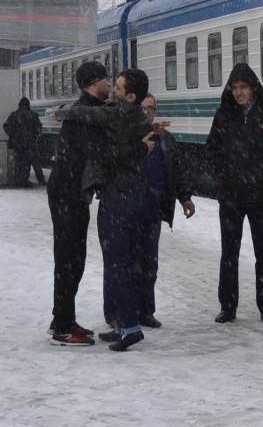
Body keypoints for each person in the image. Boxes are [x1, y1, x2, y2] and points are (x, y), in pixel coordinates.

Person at [58, 68, 156, 352]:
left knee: (118, 262)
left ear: (131, 96)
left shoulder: (120, 114)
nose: (114, 89)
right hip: (130, 194)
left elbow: (88, 114)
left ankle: (129, 326)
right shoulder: (136, 114)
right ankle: (122, 323)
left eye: (120, 87)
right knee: (121, 261)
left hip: (118, 197)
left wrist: (62, 113)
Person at [206, 63, 263, 325]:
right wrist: (224, 175)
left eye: (243, 87)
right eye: (234, 88)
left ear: (253, 88)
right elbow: (211, 150)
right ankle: (227, 306)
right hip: (232, 196)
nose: (238, 93)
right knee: (229, 253)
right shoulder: (223, 115)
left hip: (261, 196)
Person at [104, 94, 195, 329]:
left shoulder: (166, 140)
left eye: (151, 109)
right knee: (124, 263)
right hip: (127, 208)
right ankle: (118, 313)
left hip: (152, 210)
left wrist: (184, 197)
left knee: (149, 263)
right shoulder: (127, 137)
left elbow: (176, 170)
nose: (147, 113)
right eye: (143, 109)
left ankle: (146, 310)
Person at [45, 62, 109, 346]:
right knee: (68, 259)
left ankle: (64, 318)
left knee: (75, 259)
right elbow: (98, 151)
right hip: (67, 193)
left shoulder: (85, 111)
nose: (109, 85)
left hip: (71, 192)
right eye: (106, 80)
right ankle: (61, 326)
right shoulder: (84, 114)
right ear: (95, 82)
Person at [3, 97, 45, 186]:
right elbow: (39, 128)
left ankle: (20, 180)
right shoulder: (33, 115)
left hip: (18, 143)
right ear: (28, 105)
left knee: (19, 162)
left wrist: (13, 135)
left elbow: (6, 126)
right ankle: (40, 180)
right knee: (34, 162)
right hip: (30, 144)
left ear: (20, 105)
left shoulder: (14, 115)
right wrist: (34, 136)